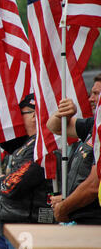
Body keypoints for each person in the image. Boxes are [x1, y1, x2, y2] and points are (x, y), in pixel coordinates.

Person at [0, 94, 54, 249]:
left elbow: (14, 185)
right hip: (21, 225)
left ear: (34, 115)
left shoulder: (40, 147)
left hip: (28, 227)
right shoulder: (28, 143)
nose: (17, 118)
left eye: (22, 113)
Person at [46, 96, 101, 225]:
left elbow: (93, 186)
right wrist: (63, 113)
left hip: (94, 221)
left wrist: (63, 208)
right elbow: (54, 127)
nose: (92, 98)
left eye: (97, 93)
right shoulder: (93, 125)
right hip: (80, 218)